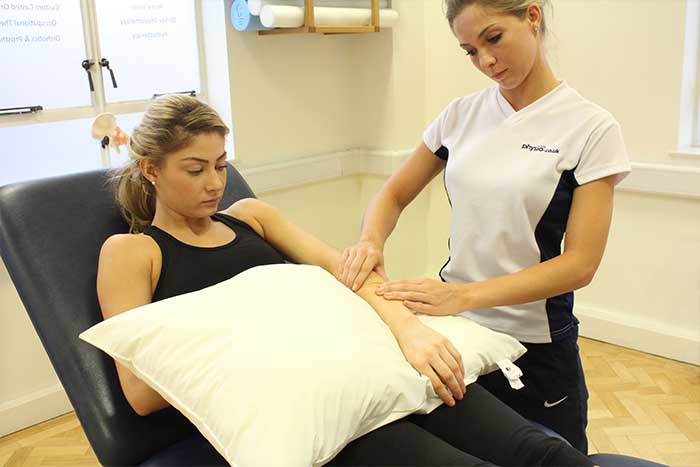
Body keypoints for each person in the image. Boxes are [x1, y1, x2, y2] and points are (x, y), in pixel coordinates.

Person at [96, 94, 596, 466]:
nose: (214, 183)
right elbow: (141, 391)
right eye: (195, 169)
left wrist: (410, 332)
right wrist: (273, 335)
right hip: (312, 408)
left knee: (536, 451)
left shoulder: (250, 216)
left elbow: (350, 272)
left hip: (370, 368)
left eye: (222, 166)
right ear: (151, 170)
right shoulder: (132, 253)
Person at [337, 0, 631, 456]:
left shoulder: (590, 127)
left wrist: (463, 295)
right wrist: (370, 242)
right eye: (470, 51)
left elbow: (579, 264)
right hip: (456, 338)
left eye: (493, 39)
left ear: (532, 16)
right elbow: (393, 193)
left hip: (535, 345)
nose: (486, 61)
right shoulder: (459, 116)